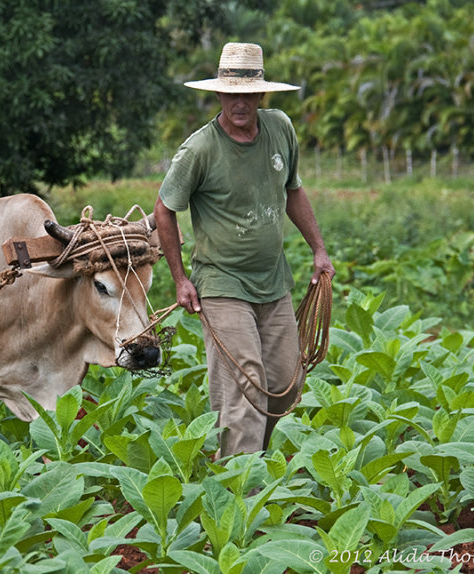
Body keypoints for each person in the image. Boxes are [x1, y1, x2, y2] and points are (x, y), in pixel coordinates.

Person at [154, 42, 335, 457]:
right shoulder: (199, 150)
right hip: (221, 284)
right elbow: (164, 211)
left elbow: (293, 190)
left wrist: (319, 249)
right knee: (245, 387)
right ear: (218, 94)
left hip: (274, 282)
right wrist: (181, 280)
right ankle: (240, 493)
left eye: (247, 93)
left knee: (283, 386)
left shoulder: (280, 128)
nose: (239, 102)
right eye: (231, 93)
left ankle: (251, 467)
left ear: (261, 94)